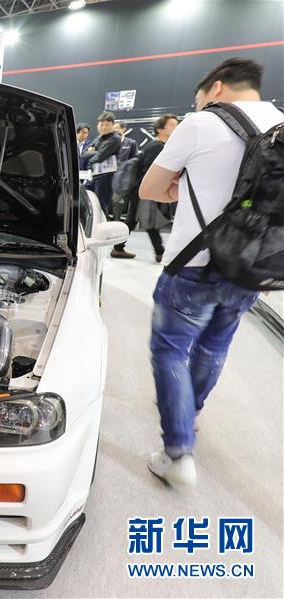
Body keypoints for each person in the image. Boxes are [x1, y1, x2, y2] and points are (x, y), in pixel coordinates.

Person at [139, 57, 282, 487]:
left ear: (215, 88)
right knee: (215, 345)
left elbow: (150, 189)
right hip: (248, 267)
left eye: (199, 97)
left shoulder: (201, 124)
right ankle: (191, 412)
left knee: (170, 350)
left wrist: (182, 188)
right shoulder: (280, 124)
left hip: (193, 265)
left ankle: (177, 452)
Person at [111, 114, 179, 261]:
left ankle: (118, 247)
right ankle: (160, 252)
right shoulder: (157, 147)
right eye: (172, 125)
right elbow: (150, 171)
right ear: (160, 129)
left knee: (134, 220)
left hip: (141, 189)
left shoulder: (157, 146)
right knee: (148, 220)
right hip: (144, 189)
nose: (176, 127)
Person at [81, 112, 121, 213]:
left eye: (107, 125)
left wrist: (93, 152)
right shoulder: (98, 138)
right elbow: (83, 154)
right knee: (86, 200)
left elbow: (100, 157)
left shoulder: (115, 139)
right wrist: (97, 152)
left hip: (106, 177)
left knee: (101, 206)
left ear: (113, 125)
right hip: (93, 175)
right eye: (101, 125)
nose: (103, 127)